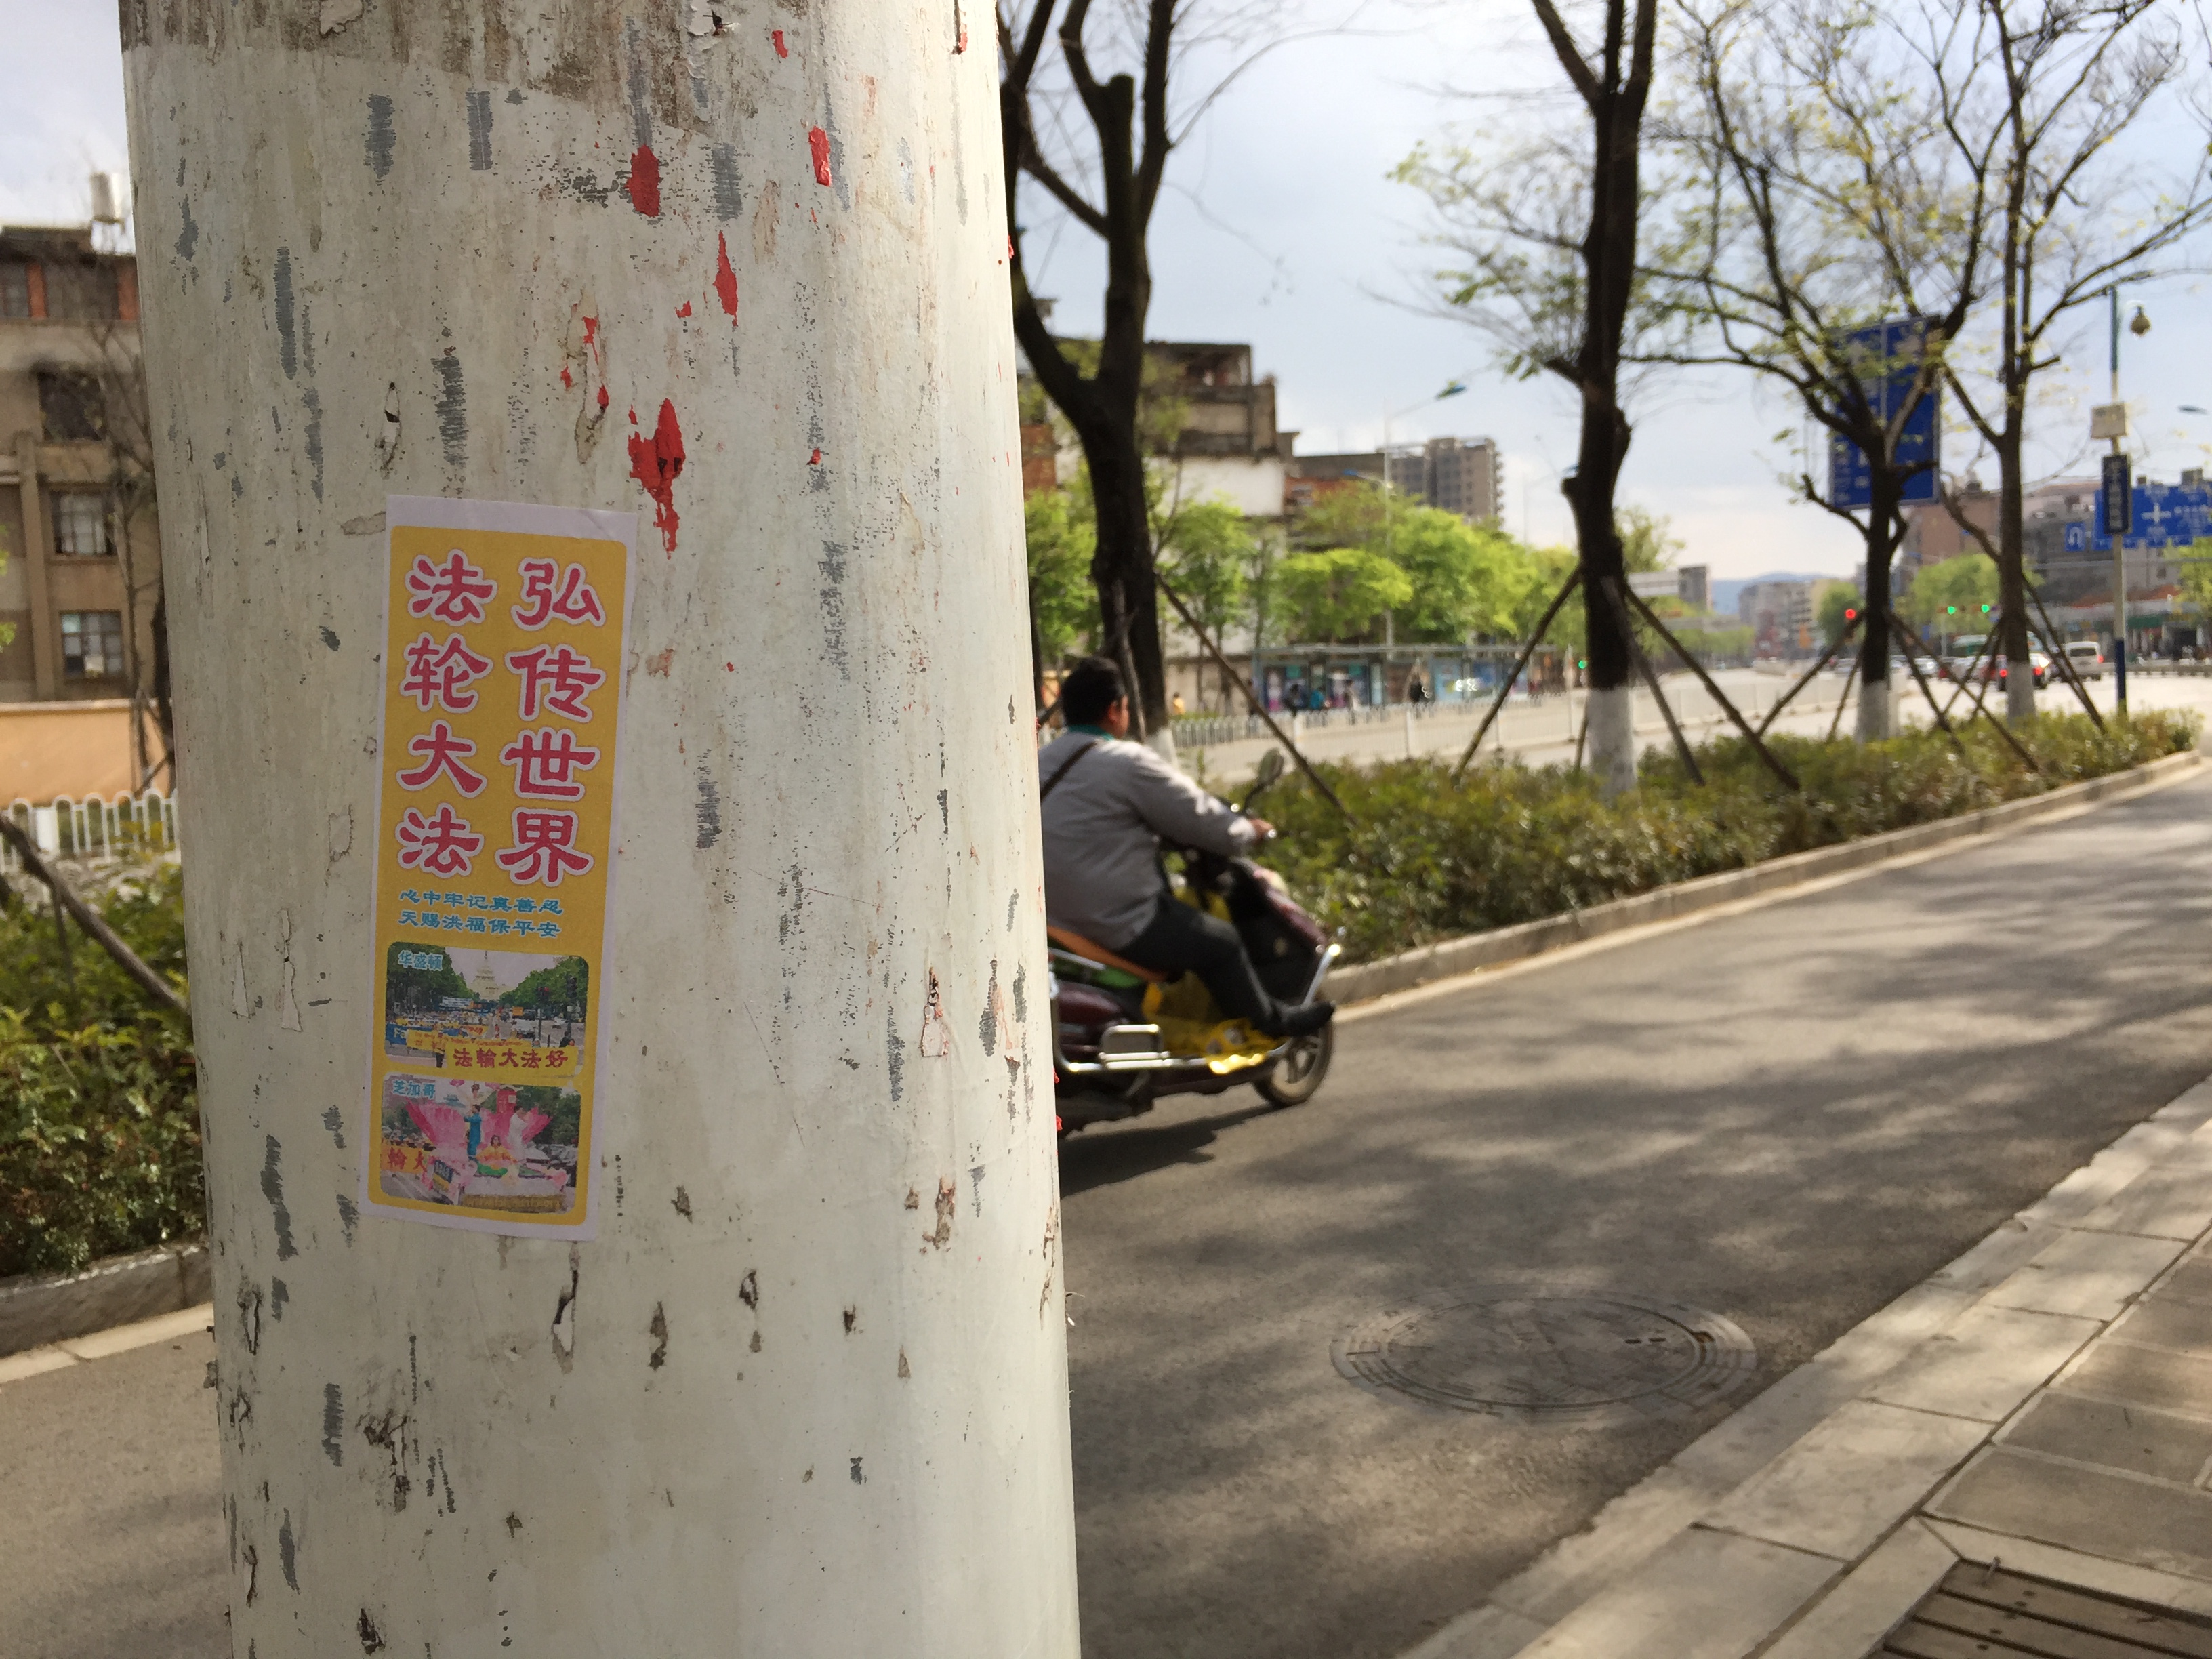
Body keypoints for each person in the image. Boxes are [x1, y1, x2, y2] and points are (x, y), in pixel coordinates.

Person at [1038, 657, 1333, 1040]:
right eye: (1125, 707)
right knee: (1222, 943)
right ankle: (1273, 1024)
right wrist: (1249, 831)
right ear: (1114, 711)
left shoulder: (1040, 761)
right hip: (1114, 920)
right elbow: (1200, 817)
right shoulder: (1126, 763)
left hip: (1053, 919)